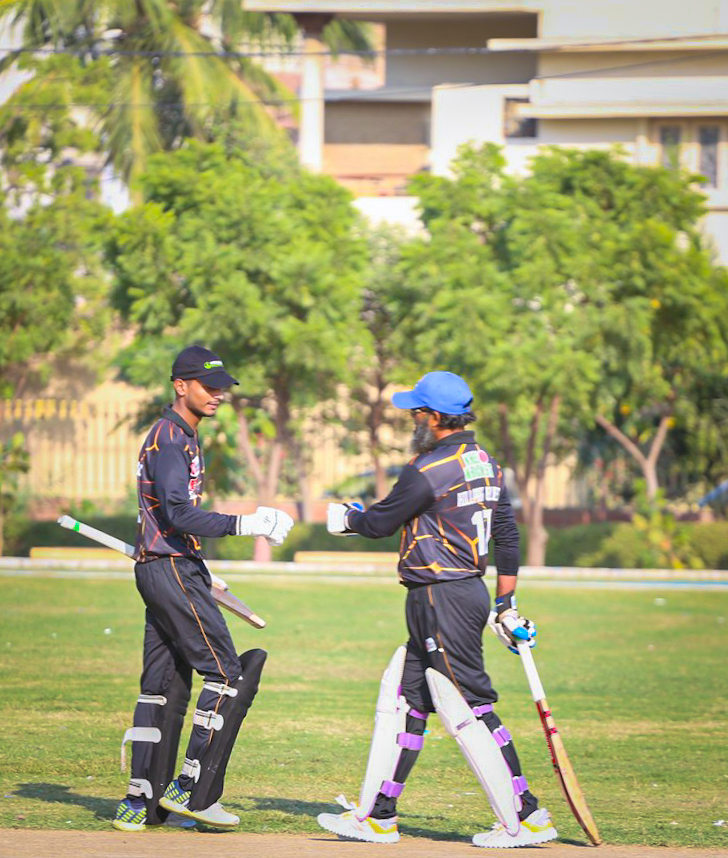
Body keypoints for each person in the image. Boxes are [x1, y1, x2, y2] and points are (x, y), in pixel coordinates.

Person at [317, 371, 557, 849]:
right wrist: (505, 603)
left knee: (469, 704)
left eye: (417, 412)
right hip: (460, 594)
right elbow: (507, 535)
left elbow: (381, 522)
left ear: (434, 417)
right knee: (405, 698)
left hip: (441, 597)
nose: (413, 420)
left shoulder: (428, 468)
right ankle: (378, 815)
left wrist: (347, 518)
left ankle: (525, 816)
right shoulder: (485, 463)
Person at [113, 345, 294, 832]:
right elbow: (177, 511)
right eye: (208, 386)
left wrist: (200, 566)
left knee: (159, 685)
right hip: (170, 569)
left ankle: (138, 801)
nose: (217, 394)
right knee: (226, 673)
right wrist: (246, 523)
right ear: (180, 385)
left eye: (221, 388)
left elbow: (167, 518)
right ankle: (189, 789)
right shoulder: (171, 439)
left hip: (165, 566)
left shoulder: (178, 435)